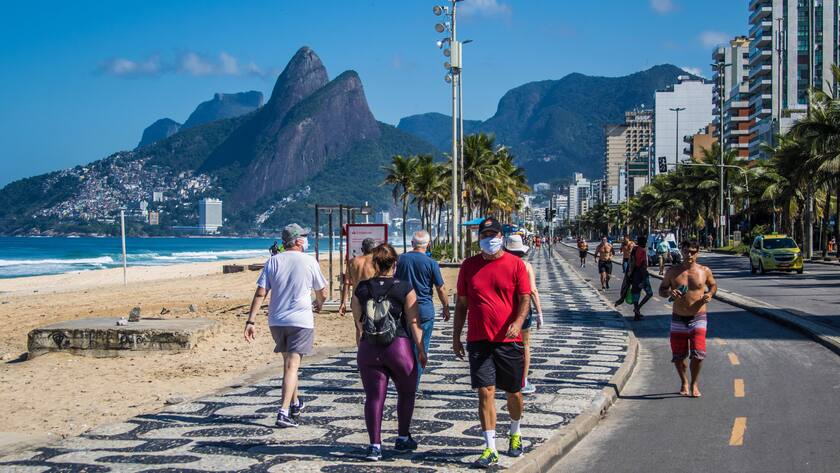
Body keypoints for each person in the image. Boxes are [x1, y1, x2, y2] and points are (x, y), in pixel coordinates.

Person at [453, 217, 531, 468]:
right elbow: (462, 304)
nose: (489, 239)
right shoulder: (469, 266)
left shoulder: (515, 264)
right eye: (484, 235)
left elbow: (525, 299)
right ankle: (490, 447)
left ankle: (515, 432)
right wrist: (456, 336)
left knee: (514, 392)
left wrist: (518, 323)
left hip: (509, 340)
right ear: (479, 239)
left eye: (493, 234)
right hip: (479, 339)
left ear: (501, 236)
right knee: (485, 392)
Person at [244, 223, 328, 428]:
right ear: (298, 241)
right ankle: (283, 412)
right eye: (305, 237)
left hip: (277, 321)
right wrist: (319, 304)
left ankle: (296, 403)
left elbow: (260, 293)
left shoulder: (273, 261)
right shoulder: (309, 261)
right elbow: (323, 292)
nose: (307, 240)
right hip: (300, 321)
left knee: (290, 365)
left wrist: (250, 321)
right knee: (292, 365)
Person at [351, 243, 427, 461]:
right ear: (395, 263)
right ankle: (403, 438)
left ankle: (375, 445)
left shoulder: (362, 289)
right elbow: (414, 322)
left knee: (374, 397)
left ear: (374, 262)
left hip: (369, 347)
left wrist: (362, 348)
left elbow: (358, 323)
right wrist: (421, 350)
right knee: (406, 392)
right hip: (399, 347)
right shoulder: (405, 287)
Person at [659, 240, 718, 398]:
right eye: (686, 251)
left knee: (698, 354)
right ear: (682, 252)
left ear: (697, 252)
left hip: (698, 317)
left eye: (693, 251)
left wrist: (709, 294)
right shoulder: (673, 272)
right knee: (678, 356)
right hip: (678, 317)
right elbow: (662, 290)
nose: (689, 254)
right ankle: (684, 381)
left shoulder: (704, 271)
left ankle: (694, 383)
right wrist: (669, 293)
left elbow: (713, 285)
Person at [395, 230, 450, 385]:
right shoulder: (431, 263)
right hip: (424, 310)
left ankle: (403, 380)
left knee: (403, 347)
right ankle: (414, 384)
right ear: (428, 244)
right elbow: (441, 288)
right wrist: (446, 307)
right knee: (421, 348)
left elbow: (395, 282)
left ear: (412, 243)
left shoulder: (401, 259)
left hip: (404, 309)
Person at [504, 234, 543, 395]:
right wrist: (540, 313)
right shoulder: (525, 266)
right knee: (525, 345)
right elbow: (533, 291)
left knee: (505, 345)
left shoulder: (501, 265)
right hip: (523, 311)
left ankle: (505, 379)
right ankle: (522, 381)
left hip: (505, 311)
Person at [338, 238, 377, 317]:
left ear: (362, 249)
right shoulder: (377, 262)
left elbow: (347, 283)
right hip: (373, 296)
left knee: (359, 328)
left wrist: (343, 303)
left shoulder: (352, 262)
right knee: (375, 326)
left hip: (357, 297)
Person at [628, 235, 654, 320]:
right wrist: (643, 280)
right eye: (645, 242)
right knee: (649, 293)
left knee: (636, 293)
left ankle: (636, 315)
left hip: (634, 273)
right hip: (642, 273)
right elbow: (644, 265)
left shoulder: (634, 249)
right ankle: (637, 308)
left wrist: (630, 273)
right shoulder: (643, 251)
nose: (646, 243)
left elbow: (631, 262)